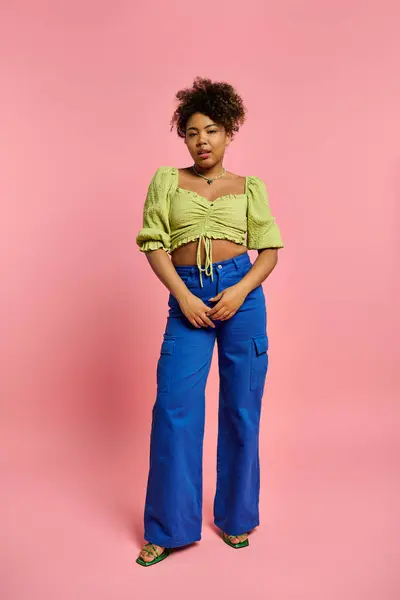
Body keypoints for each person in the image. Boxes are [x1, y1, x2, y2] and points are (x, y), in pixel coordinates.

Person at [135, 76, 284, 566]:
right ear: (183, 136)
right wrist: (184, 298)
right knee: (174, 409)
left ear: (229, 133)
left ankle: (237, 519)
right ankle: (168, 528)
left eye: (213, 130)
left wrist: (240, 291)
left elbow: (269, 252)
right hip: (187, 298)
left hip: (242, 296)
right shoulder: (166, 181)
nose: (203, 140)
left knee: (242, 410)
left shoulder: (249, 188)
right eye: (194, 131)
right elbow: (154, 244)